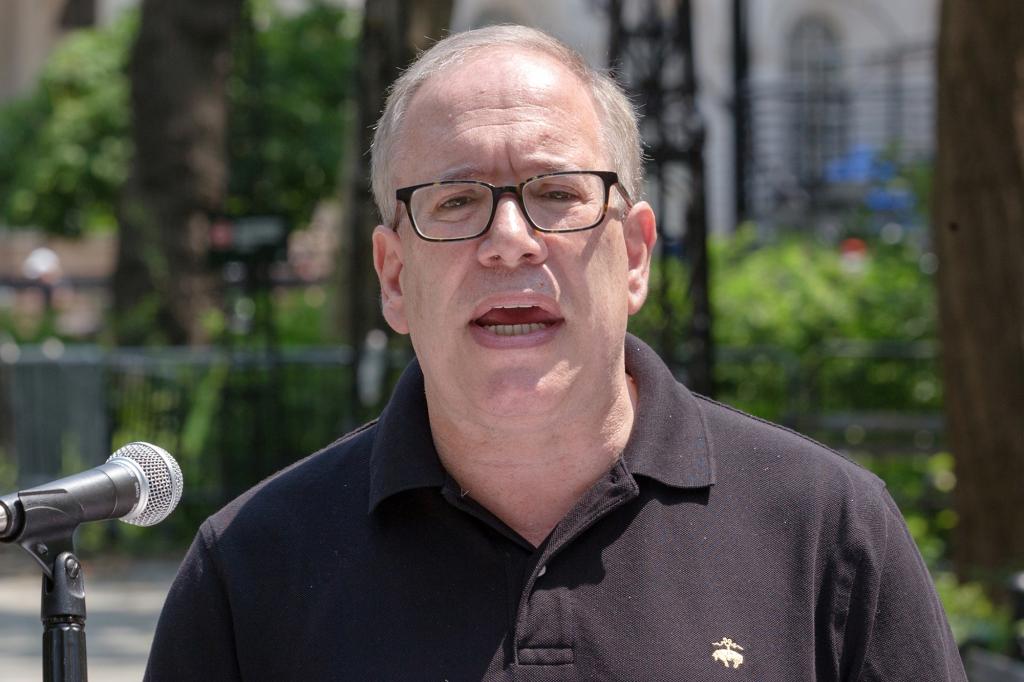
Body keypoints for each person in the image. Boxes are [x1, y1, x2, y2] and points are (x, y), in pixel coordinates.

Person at [144, 25, 966, 681]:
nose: (510, 241)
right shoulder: (251, 567)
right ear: (393, 277)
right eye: (456, 200)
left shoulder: (827, 532)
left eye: (557, 195)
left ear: (636, 254)